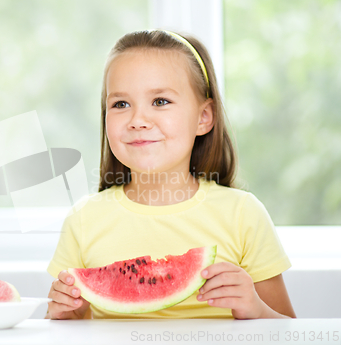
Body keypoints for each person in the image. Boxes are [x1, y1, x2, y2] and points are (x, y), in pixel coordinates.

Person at [44, 29, 296, 320]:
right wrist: (63, 314)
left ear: (204, 117)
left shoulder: (243, 214)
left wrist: (256, 309)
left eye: (160, 101)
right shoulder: (83, 221)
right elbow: (67, 327)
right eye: (120, 104)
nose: (138, 120)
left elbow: (290, 331)